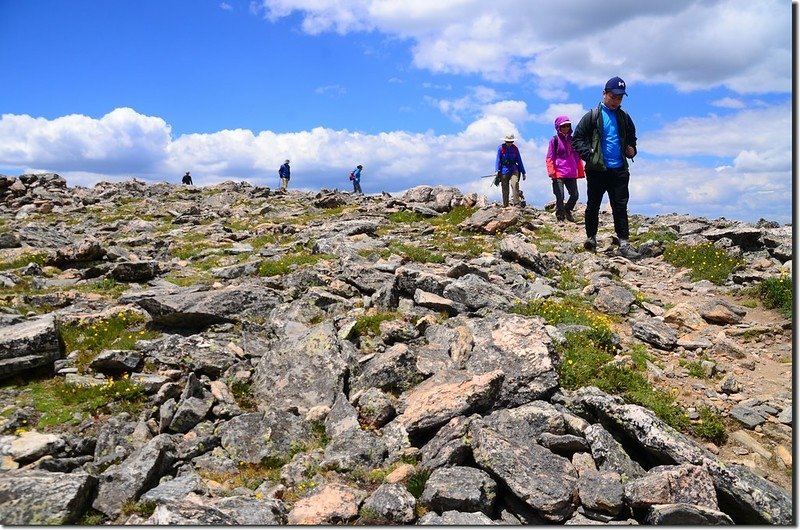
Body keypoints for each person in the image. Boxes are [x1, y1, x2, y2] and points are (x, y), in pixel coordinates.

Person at [571, 76, 640, 259]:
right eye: (613, 96)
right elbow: (577, 139)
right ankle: (591, 238)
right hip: (597, 170)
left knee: (620, 206)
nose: (616, 100)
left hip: (619, 169)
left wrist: (632, 150)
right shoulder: (592, 116)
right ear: (604, 94)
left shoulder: (624, 117)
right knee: (593, 205)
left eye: (619, 97)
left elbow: (632, 137)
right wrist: (590, 156)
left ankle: (624, 243)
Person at [545, 116, 584, 222]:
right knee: (560, 196)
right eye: (563, 126)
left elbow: (577, 156)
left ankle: (567, 210)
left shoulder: (573, 140)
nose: (566, 128)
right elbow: (550, 157)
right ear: (558, 127)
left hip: (571, 173)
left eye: (568, 125)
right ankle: (560, 217)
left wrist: (580, 171)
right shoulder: (555, 140)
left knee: (575, 195)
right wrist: (551, 171)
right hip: (558, 173)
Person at [495, 134, 526, 207]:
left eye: (511, 142)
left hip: (514, 169)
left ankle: (516, 203)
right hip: (504, 170)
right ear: (505, 141)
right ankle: (505, 204)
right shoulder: (500, 148)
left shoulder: (515, 148)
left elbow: (519, 160)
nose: (509, 143)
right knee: (505, 187)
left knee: (515, 184)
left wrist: (523, 172)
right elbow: (498, 160)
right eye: (508, 142)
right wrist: (497, 170)